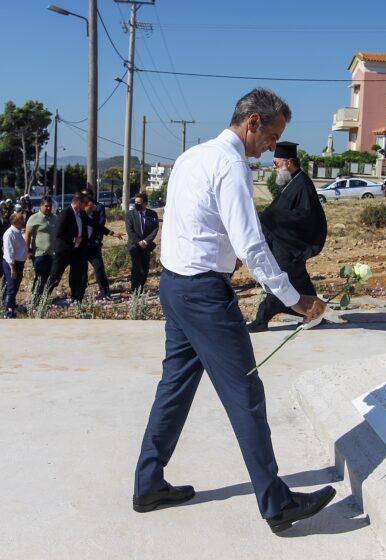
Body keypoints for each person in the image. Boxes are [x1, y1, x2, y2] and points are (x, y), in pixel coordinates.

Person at [132, 88, 334, 534]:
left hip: (175, 285)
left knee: (175, 388)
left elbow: (190, 221)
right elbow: (252, 244)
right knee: (246, 394)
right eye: (272, 135)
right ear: (253, 122)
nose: (272, 146)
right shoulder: (231, 164)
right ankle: (276, 504)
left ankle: (149, 484)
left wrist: (222, 255)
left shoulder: (192, 156)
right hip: (204, 296)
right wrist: (295, 300)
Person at [247, 141, 327, 332]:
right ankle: (315, 311)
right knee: (298, 282)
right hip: (284, 242)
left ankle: (262, 317)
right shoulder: (293, 181)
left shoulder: (303, 184)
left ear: (288, 163)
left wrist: (270, 217)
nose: (274, 168)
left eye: (276, 163)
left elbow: (305, 215)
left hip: (290, 244)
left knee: (280, 279)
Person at [46, 192, 123, 302]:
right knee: (55, 277)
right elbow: (58, 233)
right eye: (84, 203)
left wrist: (111, 233)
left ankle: (76, 299)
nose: (86, 205)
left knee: (77, 277)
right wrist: (73, 239)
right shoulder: (65, 213)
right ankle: (41, 300)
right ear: (78, 203)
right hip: (63, 251)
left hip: (76, 251)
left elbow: (94, 225)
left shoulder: (81, 214)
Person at [82, 188, 114, 301]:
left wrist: (111, 233)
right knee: (81, 270)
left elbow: (100, 225)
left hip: (94, 244)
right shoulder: (79, 212)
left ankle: (105, 293)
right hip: (81, 246)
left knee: (99, 268)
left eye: (87, 196)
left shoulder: (98, 208)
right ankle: (79, 293)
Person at [125, 192, 159, 294]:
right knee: (136, 268)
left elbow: (155, 228)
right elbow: (129, 230)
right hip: (134, 245)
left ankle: (141, 286)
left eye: (139, 203)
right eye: (135, 202)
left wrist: (145, 241)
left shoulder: (152, 214)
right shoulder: (130, 214)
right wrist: (138, 241)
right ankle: (135, 290)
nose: (136, 204)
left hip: (146, 246)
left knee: (145, 268)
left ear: (145, 203)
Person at [25, 196, 56, 297]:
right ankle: (36, 299)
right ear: (41, 205)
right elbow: (28, 235)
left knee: (51, 278)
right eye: (46, 206)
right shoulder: (34, 218)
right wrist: (28, 250)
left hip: (52, 254)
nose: (48, 208)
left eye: (50, 206)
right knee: (40, 278)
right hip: (40, 254)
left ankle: (45, 298)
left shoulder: (55, 218)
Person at [2, 212, 28, 318]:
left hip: (19, 263)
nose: (23, 220)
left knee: (15, 286)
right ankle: (9, 311)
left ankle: (12, 306)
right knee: (11, 287)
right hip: (12, 264)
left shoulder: (17, 232)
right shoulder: (10, 233)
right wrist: (12, 268)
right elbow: (9, 251)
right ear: (15, 221)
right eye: (21, 219)